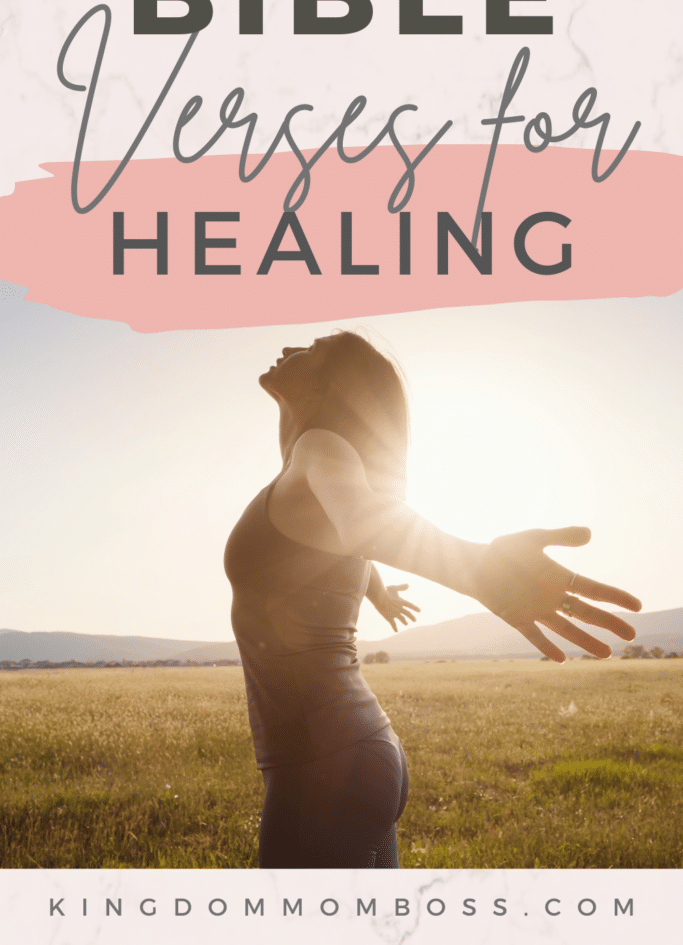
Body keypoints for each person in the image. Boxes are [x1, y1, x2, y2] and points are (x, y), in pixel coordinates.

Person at [224, 330, 641, 869]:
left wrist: (481, 570)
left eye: (313, 348)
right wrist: (376, 590)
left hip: (321, 764)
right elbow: (347, 534)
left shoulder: (320, 447)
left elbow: (360, 522)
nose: (289, 348)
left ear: (334, 385)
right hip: (354, 751)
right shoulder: (314, 468)